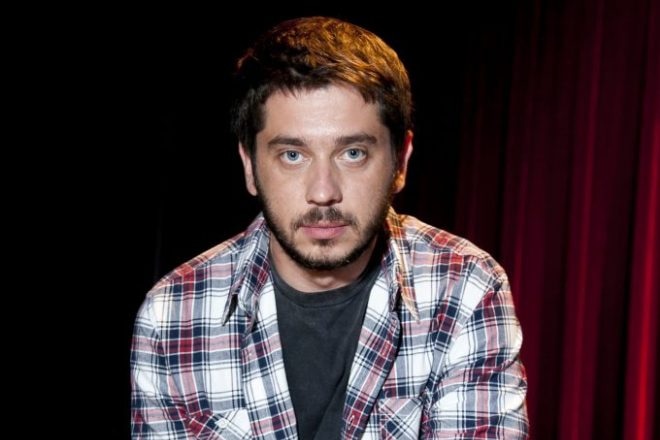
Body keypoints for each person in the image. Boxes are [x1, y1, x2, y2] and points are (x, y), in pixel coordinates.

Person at [130, 16, 528, 439]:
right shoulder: (173, 313)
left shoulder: (465, 289)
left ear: (400, 162)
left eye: (353, 153)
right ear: (250, 166)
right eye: (292, 155)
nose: (323, 193)